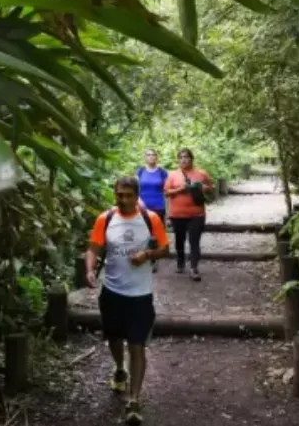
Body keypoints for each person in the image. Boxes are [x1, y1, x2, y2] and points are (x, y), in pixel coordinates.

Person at [85, 176, 170, 426]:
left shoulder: (150, 218)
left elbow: (165, 248)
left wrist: (147, 254)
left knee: (137, 345)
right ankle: (119, 368)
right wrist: (89, 270)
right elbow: (93, 248)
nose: (123, 199)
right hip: (112, 291)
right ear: (115, 195)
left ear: (136, 195)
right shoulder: (106, 219)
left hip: (140, 294)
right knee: (114, 337)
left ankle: (134, 400)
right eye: (119, 195)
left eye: (128, 195)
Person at [163, 148, 213, 281]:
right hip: (177, 215)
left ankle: (194, 268)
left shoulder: (201, 174)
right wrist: (180, 189)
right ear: (178, 160)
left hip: (197, 214)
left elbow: (211, 188)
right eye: (181, 157)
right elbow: (166, 192)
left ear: (192, 159)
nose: (184, 159)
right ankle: (180, 261)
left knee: (194, 241)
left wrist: (204, 188)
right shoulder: (172, 175)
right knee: (179, 240)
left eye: (186, 157)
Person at [135, 149, 168, 273]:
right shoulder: (140, 171)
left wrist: (168, 209)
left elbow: (167, 190)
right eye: (148, 155)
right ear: (145, 157)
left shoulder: (162, 172)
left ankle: (154, 259)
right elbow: (135, 189)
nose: (151, 157)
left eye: (153, 155)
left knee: (156, 234)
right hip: (143, 207)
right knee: (143, 232)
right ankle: (142, 256)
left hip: (158, 206)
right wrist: (139, 201)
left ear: (157, 157)